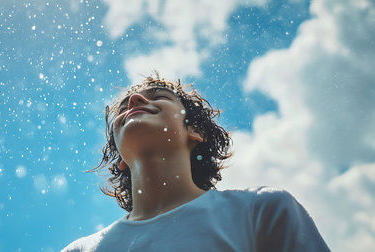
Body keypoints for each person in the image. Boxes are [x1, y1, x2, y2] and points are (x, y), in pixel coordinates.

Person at [62, 74, 330, 252]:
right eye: (123, 109)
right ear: (120, 157)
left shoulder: (262, 211)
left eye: (160, 97)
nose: (134, 100)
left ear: (195, 131)